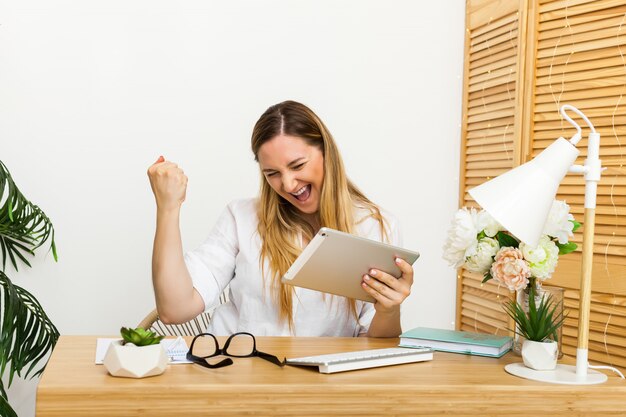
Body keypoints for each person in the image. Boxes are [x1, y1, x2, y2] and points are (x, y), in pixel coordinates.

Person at [147, 100, 413, 337]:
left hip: (323, 386)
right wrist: (168, 208)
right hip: (237, 374)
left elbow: (376, 343)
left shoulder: (376, 226)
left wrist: (390, 310)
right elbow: (175, 310)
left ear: (326, 153)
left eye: (297, 166)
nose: (287, 184)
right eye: (272, 173)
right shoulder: (241, 217)